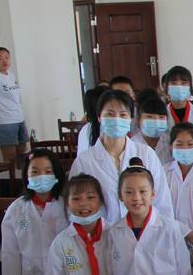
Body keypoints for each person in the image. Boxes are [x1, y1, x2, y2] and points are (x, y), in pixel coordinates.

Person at [69, 89, 173, 225]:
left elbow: (162, 201)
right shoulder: (84, 161)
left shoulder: (146, 154)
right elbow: (74, 206)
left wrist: (165, 232)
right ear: (99, 118)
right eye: (110, 114)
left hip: (145, 232)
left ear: (130, 119)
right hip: (103, 234)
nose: (116, 119)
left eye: (123, 115)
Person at [162, 66, 193, 163]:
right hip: (167, 166)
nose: (179, 87)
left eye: (183, 83)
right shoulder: (161, 116)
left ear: (190, 88)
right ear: (167, 88)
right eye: (174, 83)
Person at [130, 92, 172, 165]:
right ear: (138, 120)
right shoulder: (131, 145)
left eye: (161, 117)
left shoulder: (170, 142)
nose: (156, 121)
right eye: (149, 117)